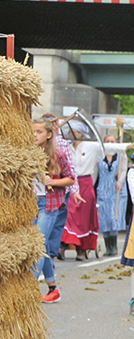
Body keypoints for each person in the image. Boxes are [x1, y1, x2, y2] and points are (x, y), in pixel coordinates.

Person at [33, 119, 73, 304]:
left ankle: (28, 287)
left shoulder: (59, 153)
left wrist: (53, 182)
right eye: (32, 131)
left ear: (49, 135)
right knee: (45, 246)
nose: (34, 135)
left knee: (38, 245)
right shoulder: (27, 153)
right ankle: (53, 288)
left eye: (39, 132)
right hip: (32, 203)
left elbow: (71, 179)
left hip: (49, 204)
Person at [61, 124, 102, 259]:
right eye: (70, 131)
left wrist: (128, 146)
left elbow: (108, 146)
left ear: (81, 133)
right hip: (71, 183)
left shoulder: (91, 146)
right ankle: (63, 246)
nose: (72, 133)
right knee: (68, 214)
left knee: (84, 217)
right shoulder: (67, 147)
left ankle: (82, 249)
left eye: (75, 131)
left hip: (85, 183)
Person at [95, 136, 127, 256]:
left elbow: (123, 169)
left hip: (116, 189)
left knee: (114, 217)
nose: (110, 143)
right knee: (104, 218)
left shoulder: (120, 154)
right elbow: (95, 171)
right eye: (107, 141)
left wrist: (120, 181)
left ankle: (113, 246)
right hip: (103, 189)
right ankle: (107, 246)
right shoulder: (99, 155)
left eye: (112, 141)